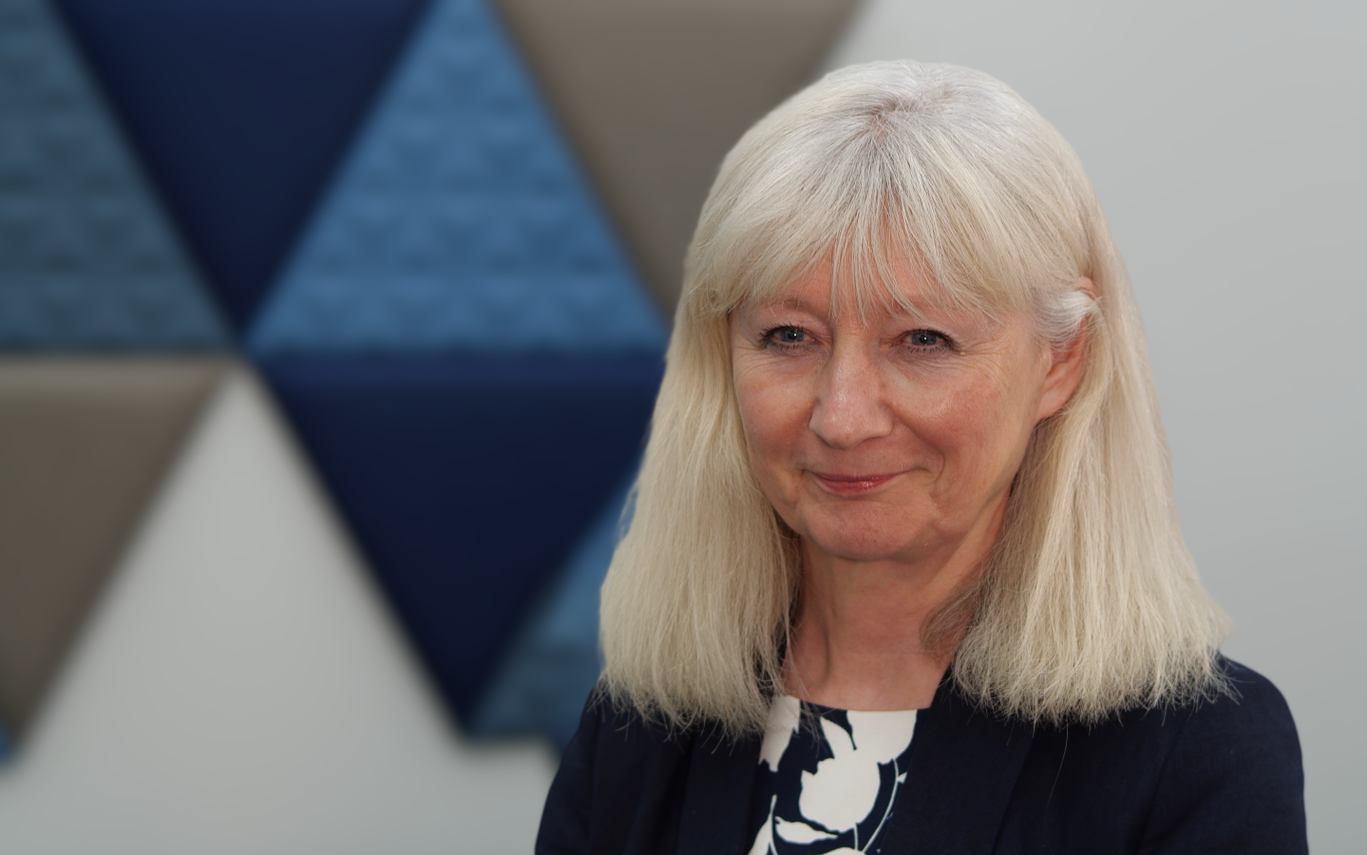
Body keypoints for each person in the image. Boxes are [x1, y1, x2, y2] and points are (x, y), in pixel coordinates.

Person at [536, 59, 1307, 854]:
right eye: (789, 336)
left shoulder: (1196, 753)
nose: (843, 417)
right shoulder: (640, 725)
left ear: (1062, 359)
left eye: (923, 340)